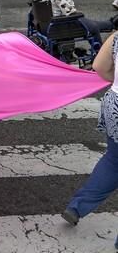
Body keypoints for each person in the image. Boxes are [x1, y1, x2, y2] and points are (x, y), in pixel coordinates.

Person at [61, 29, 118, 243]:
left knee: (113, 161)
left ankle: (77, 207)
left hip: (115, 104)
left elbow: (98, 67)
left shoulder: (116, 36)